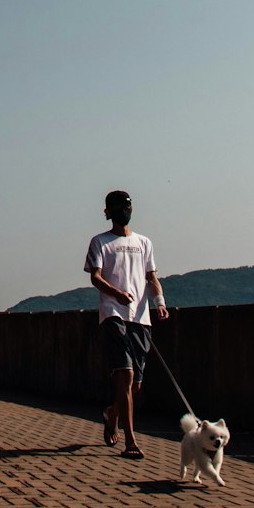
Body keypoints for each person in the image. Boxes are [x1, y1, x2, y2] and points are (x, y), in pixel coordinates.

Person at [84, 190, 169, 459]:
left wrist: (160, 302)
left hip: (140, 318)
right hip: (113, 315)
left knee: (136, 386)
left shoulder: (144, 243)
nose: (124, 210)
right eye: (119, 206)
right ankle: (131, 441)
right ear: (108, 212)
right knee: (126, 376)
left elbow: (151, 277)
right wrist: (116, 294)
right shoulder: (100, 242)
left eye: (127, 205)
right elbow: (95, 278)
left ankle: (112, 413)